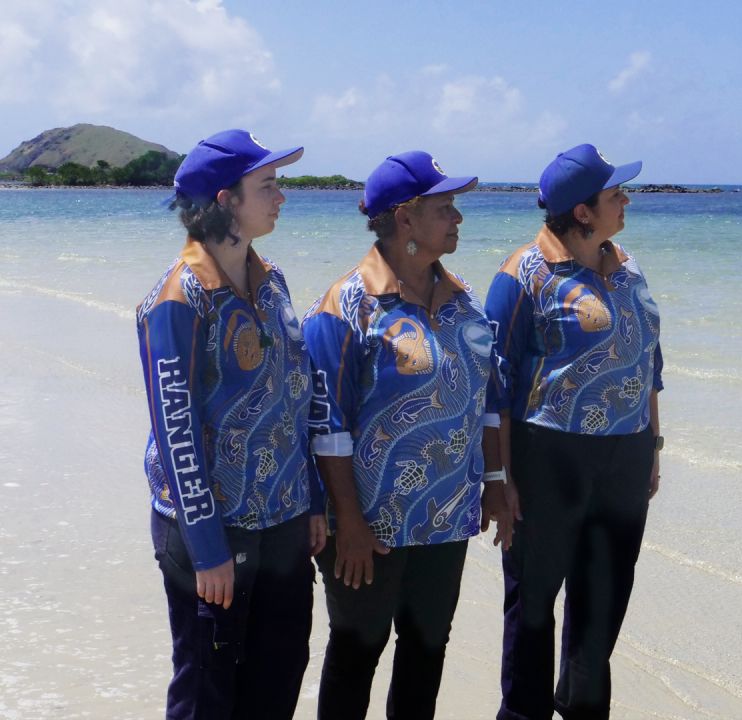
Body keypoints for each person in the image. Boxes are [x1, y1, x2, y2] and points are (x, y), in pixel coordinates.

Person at [303, 151, 512, 719]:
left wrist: (496, 479)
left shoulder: (462, 300)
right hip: (370, 524)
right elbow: (327, 425)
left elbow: (488, 400)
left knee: (427, 651)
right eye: (444, 208)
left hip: (445, 516)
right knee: (357, 651)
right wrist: (347, 520)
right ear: (404, 219)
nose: (457, 219)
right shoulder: (345, 306)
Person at [136, 129, 326, 719]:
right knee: (207, 694)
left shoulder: (271, 281)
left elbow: (297, 390)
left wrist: (314, 495)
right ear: (224, 201)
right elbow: (176, 432)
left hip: (285, 519)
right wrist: (208, 546)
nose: (281, 197)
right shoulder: (179, 298)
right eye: (267, 185)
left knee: (277, 679)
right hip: (214, 533)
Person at [487, 143, 664, 719]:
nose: (626, 200)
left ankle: (585, 708)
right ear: (582, 212)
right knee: (534, 601)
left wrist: (653, 445)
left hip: (626, 457)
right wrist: (501, 476)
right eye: (615, 194)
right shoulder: (523, 276)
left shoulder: (627, 264)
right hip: (549, 458)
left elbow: (649, 360)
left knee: (604, 600)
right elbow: (498, 388)